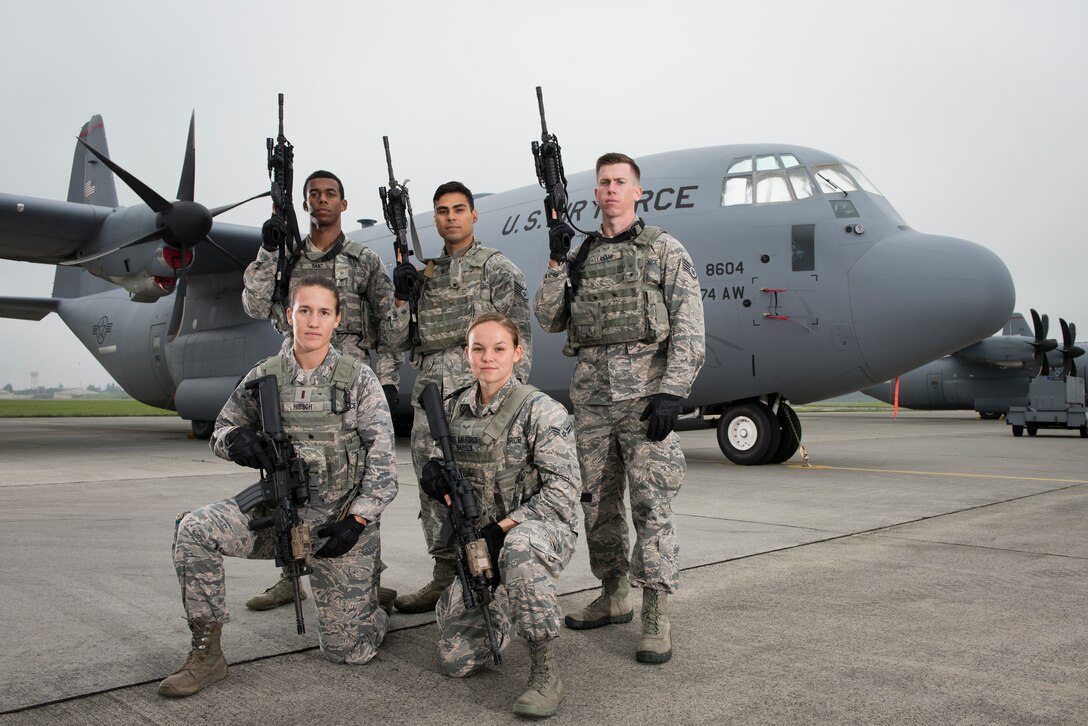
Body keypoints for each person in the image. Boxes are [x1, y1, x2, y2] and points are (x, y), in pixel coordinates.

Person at [158, 277, 398, 698]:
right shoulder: (265, 376)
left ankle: (372, 604)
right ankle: (206, 652)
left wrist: (357, 522)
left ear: (337, 319)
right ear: (289, 316)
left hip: (336, 530)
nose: (313, 321)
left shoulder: (358, 380)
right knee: (193, 529)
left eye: (324, 312)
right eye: (304, 310)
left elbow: (383, 470)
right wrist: (236, 441)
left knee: (349, 651)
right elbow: (221, 429)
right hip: (277, 516)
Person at [533, 152, 705, 664]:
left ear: (637, 192)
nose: (611, 189)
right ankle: (613, 593)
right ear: (595, 193)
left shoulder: (664, 249)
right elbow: (548, 319)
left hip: (646, 402)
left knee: (652, 505)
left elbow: (690, 326)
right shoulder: (580, 255)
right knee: (597, 504)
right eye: (604, 182)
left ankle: (656, 610)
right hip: (592, 405)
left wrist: (673, 392)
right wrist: (556, 262)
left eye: (619, 182)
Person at [242, 170, 401, 611]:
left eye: (331, 194)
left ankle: (366, 577)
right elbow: (254, 305)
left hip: (350, 384)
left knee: (359, 478)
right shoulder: (287, 258)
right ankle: (290, 575)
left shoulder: (364, 260)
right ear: (305, 203)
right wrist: (268, 249)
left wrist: (388, 379)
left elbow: (389, 326)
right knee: (289, 475)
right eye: (315, 194)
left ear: (343, 204)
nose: (323, 200)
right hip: (295, 380)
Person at [422, 312, 579, 718]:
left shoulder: (540, 410)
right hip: (480, 542)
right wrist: (434, 475)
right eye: (478, 349)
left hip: (538, 530)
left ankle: (545, 670)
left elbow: (563, 490)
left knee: (520, 548)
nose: (487, 357)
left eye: (498, 348)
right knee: (455, 661)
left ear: (517, 353)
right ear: (467, 354)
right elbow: (444, 464)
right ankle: (501, 602)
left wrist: (502, 530)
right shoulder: (454, 408)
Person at [388, 181, 533, 614]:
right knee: (434, 489)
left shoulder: (498, 269)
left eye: (458, 209)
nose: (450, 217)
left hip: (480, 395)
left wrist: (510, 402)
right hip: (431, 397)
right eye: (442, 211)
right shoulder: (423, 277)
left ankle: (492, 574)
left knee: (485, 487)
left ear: (473, 214)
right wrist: (401, 298)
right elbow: (398, 339)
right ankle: (443, 576)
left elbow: (519, 338)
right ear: (434, 219)